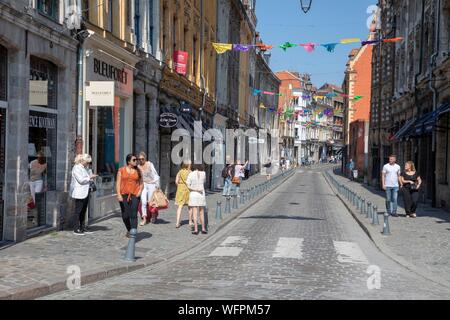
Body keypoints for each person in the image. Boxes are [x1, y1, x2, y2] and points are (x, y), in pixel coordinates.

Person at [116, 154, 144, 237]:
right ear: (129, 161)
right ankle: (129, 230)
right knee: (125, 215)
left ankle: (133, 233)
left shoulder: (138, 171)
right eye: (134, 160)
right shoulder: (121, 170)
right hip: (123, 195)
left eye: (136, 160)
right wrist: (118, 194)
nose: (136, 161)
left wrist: (140, 192)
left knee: (134, 214)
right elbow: (118, 183)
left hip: (135, 195)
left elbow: (142, 183)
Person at [70, 154, 97, 235]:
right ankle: (76, 229)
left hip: (85, 191)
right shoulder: (77, 168)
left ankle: (82, 227)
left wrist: (89, 174)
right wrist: (90, 177)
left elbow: (86, 178)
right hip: (79, 192)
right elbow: (81, 180)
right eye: (87, 162)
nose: (88, 164)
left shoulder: (85, 168)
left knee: (83, 210)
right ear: (83, 161)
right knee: (78, 210)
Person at [137, 152, 160, 226]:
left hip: (151, 184)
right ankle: (144, 218)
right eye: (139, 159)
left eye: (142, 159)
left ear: (145, 158)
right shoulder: (138, 167)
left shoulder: (150, 164)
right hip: (143, 184)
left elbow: (155, 175)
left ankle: (153, 215)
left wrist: (157, 186)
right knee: (143, 201)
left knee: (151, 201)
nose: (141, 160)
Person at [186, 164, 207, 235]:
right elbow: (204, 182)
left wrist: (195, 189)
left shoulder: (191, 174)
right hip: (201, 194)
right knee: (201, 212)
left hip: (193, 194)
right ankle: (203, 228)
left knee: (194, 212)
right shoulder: (204, 173)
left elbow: (188, 185)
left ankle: (196, 229)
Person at [175, 160, 193, 229]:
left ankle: (177, 222)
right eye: (190, 164)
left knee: (180, 206)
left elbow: (176, 181)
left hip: (181, 189)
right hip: (188, 190)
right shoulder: (190, 172)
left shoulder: (180, 172)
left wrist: (180, 186)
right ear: (188, 165)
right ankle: (190, 221)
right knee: (190, 206)